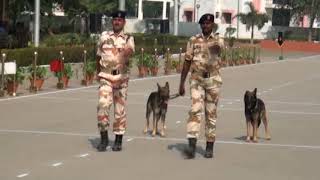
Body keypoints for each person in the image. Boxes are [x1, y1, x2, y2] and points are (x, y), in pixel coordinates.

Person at [178, 13, 224, 159]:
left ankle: (209, 146)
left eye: (208, 23)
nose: (206, 26)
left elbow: (218, 48)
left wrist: (211, 46)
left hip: (213, 81)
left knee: (211, 114)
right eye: (203, 23)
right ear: (201, 25)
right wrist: (181, 83)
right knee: (195, 110)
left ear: (212, 25)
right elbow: (187, 61)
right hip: (196, 80)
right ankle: (191, 146)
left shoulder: (219, 39)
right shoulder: (193, 40)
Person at [96, 10, 135, 152]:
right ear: (112, 21)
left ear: (124, 22)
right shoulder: (103, 36)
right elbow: (98, 56)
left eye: (120, 20)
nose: (117, 22)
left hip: (121, 78)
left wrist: (121, 58)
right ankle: (104, 137)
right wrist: (98, 74)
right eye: (115, 19)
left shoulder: (128, 38)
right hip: (105, 77)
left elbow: (129, 52)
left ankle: (118, 139)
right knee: (102, 105)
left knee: (119, 110)